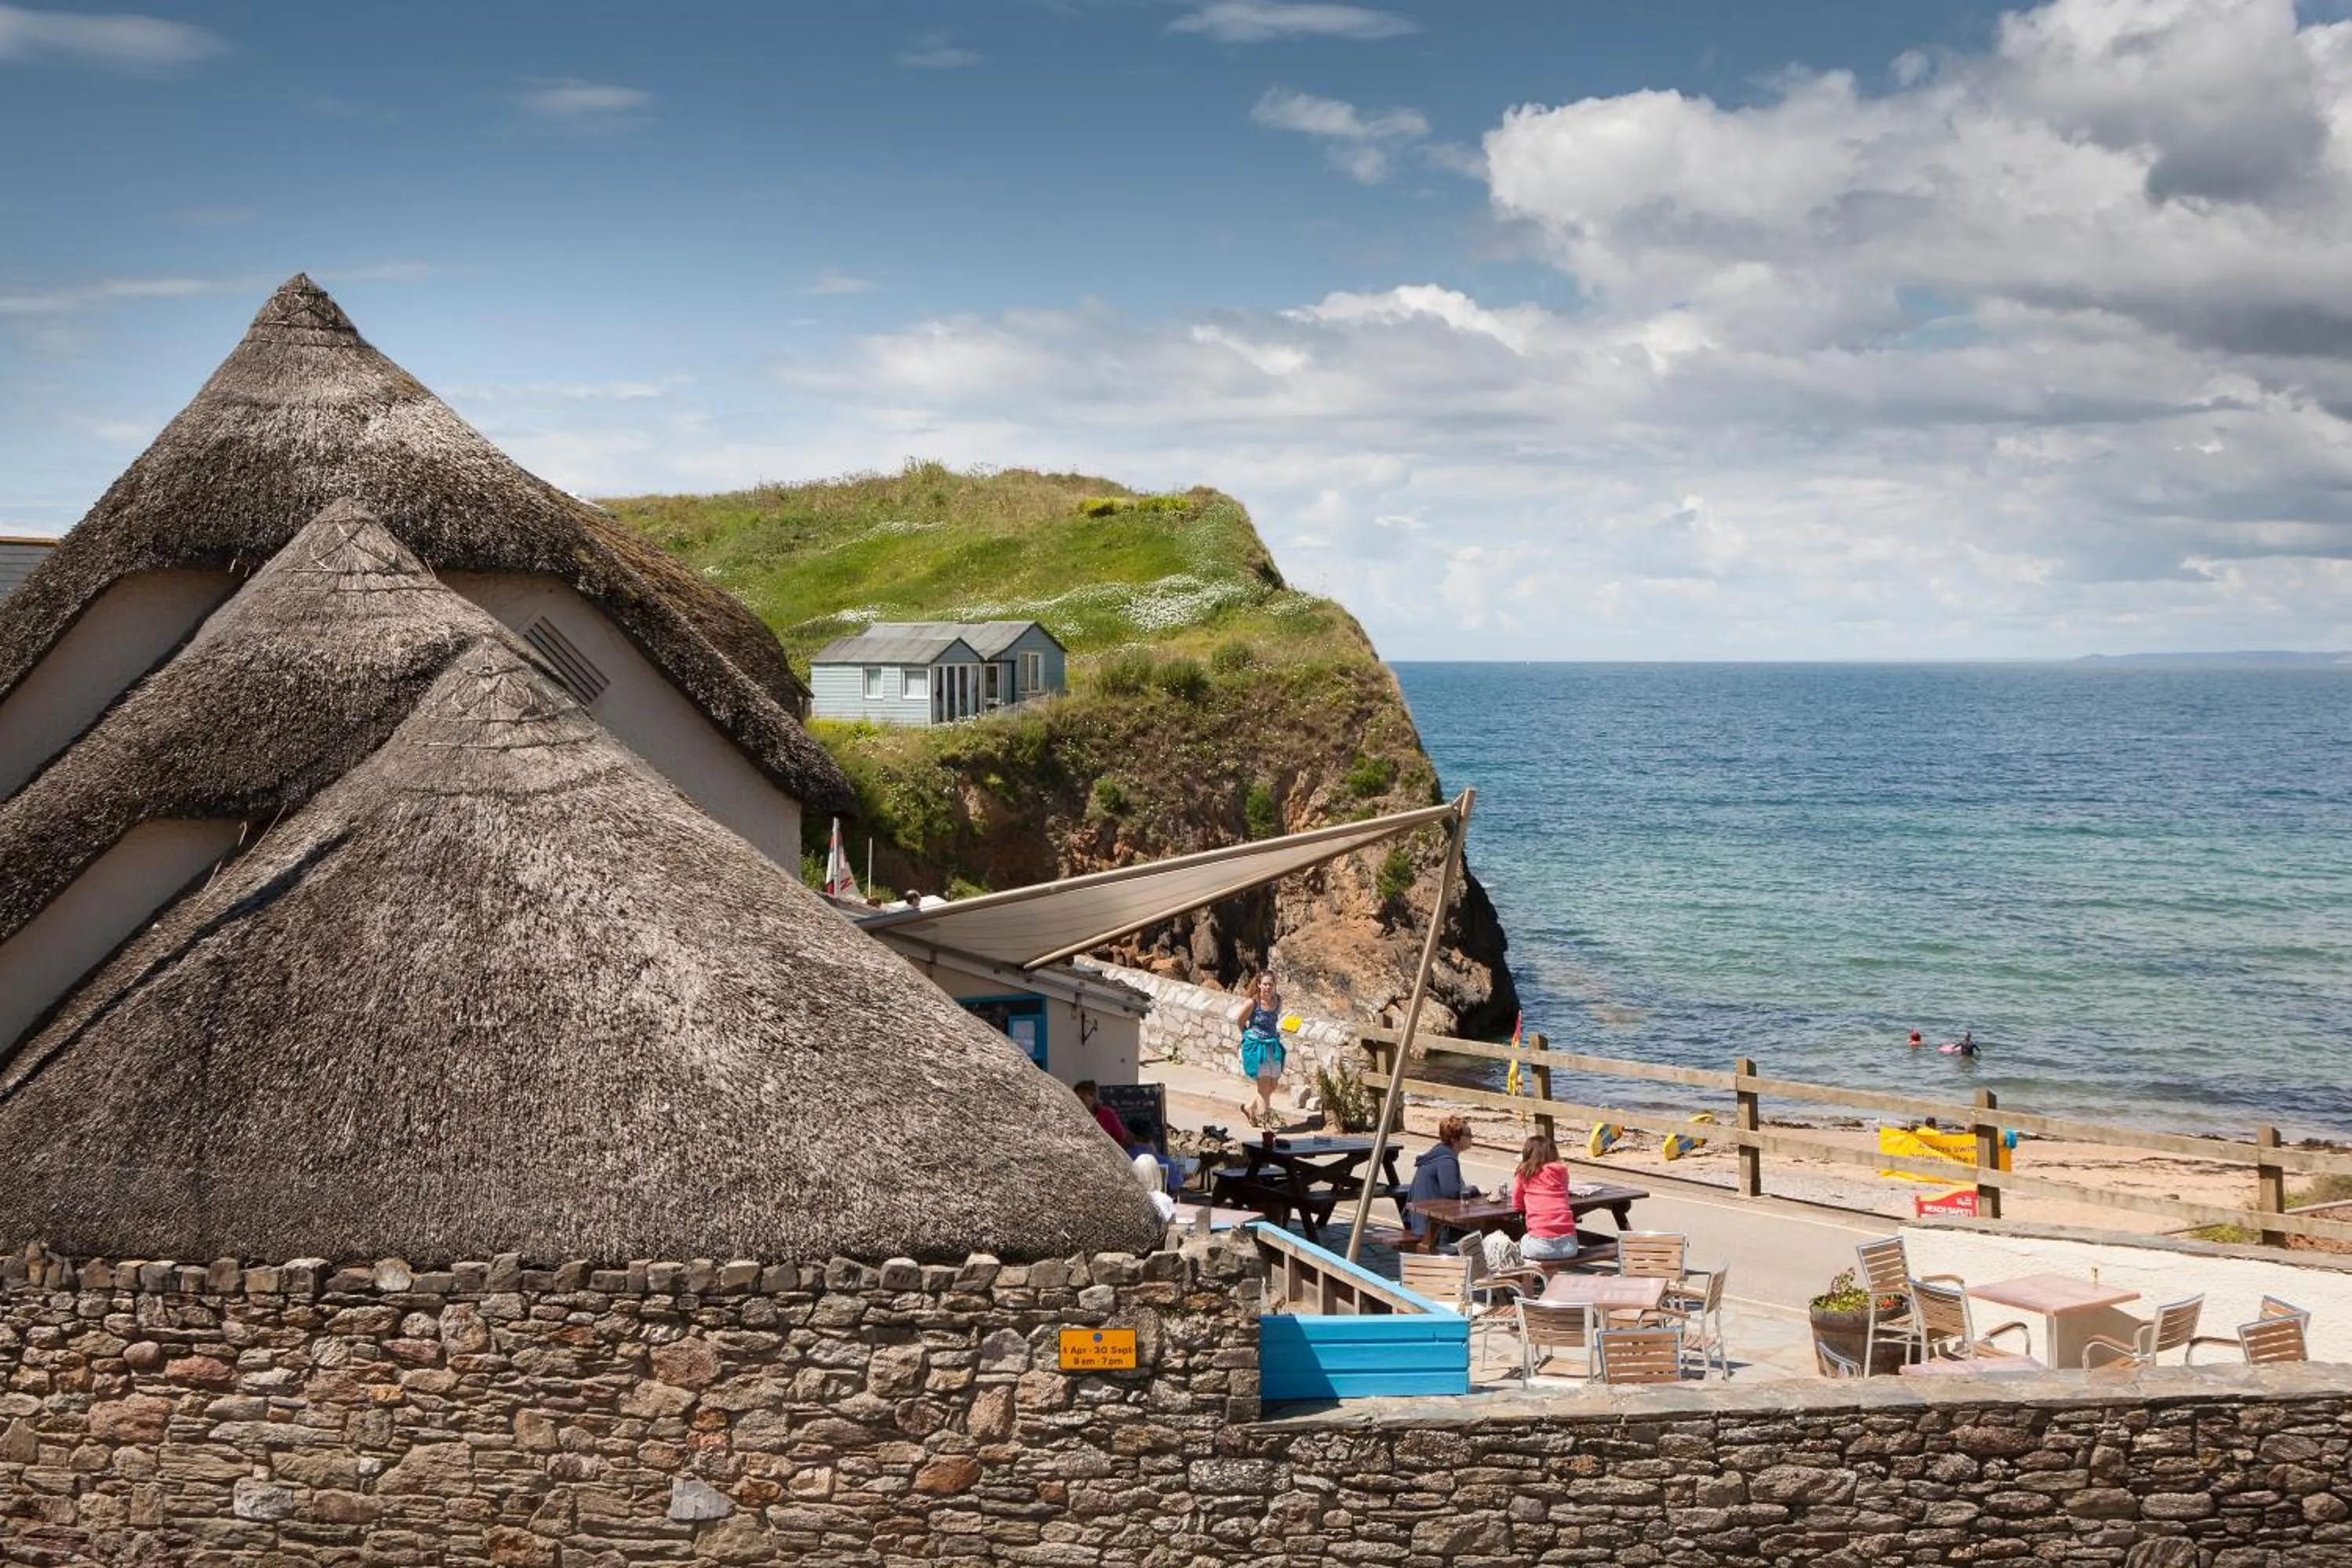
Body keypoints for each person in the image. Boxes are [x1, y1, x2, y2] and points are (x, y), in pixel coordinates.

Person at [1509, 1132, 1585, 1268]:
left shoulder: (1524, 1173)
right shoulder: (1562, 1172)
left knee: (1514, 1244)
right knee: (1540, 1247)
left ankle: (1527, 1285)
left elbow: (1516, 1204)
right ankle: (1550, 1282)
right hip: (1569, 1246)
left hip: (1540, 1245)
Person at [1405, 1116, 1483, 1240]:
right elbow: (1453, 1192)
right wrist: (1476, 1190)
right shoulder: (1446, 1160)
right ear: (1455, 1139)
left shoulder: (1439, 1152)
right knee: (1479, 1233)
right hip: (1430, 1226)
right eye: (1468, 1134)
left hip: (1421, 1220)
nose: (1472, 1137)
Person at [1229, 971, 1287, 1126]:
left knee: (1273, 1085)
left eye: (1271, 984)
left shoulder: (1278, 1000)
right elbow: (1240, 1022)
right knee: (1263, 1088)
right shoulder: (1253, 1003)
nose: (1268, 987)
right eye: (1265, 984)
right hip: (1257, 1048)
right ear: (1259, 985)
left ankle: (1249, 1107)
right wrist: (1247, 1037)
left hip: (1272, 1046)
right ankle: (1266, 1124)